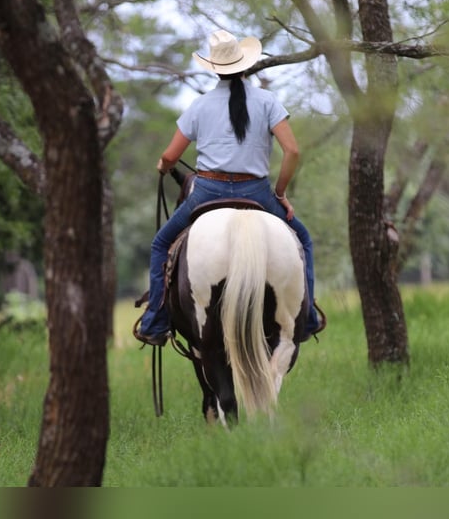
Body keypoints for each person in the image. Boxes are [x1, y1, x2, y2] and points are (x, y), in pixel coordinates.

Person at [134, 29, 325, 346]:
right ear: (245, 64)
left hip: (208, 191)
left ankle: (155, 321)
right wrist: (279, 193)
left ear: (214, 67)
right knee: (302, 240)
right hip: (257, 192)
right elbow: (292, 151)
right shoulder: (267, 101)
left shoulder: (200, 105)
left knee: (160, 245)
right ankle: (307, 319)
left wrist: (164, 166)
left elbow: (170, 155)